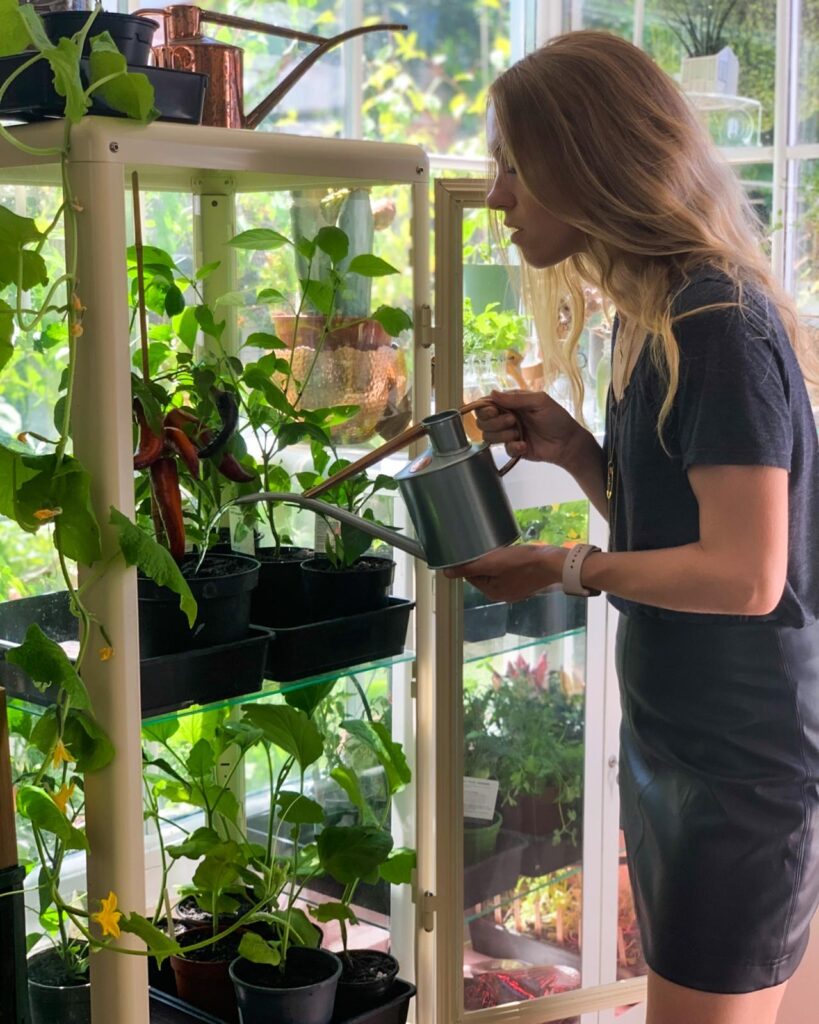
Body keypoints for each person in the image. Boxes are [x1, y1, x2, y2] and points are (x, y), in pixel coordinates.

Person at [444, 30, 819, 1024]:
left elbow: (747, 575)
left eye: (515, 167)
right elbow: (685, 532)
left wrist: (569, 566)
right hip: (682, 748)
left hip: (738, 778)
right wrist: (577, 452)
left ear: (588, 162)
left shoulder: (713, 323)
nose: (496, 195)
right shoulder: (653, 322)